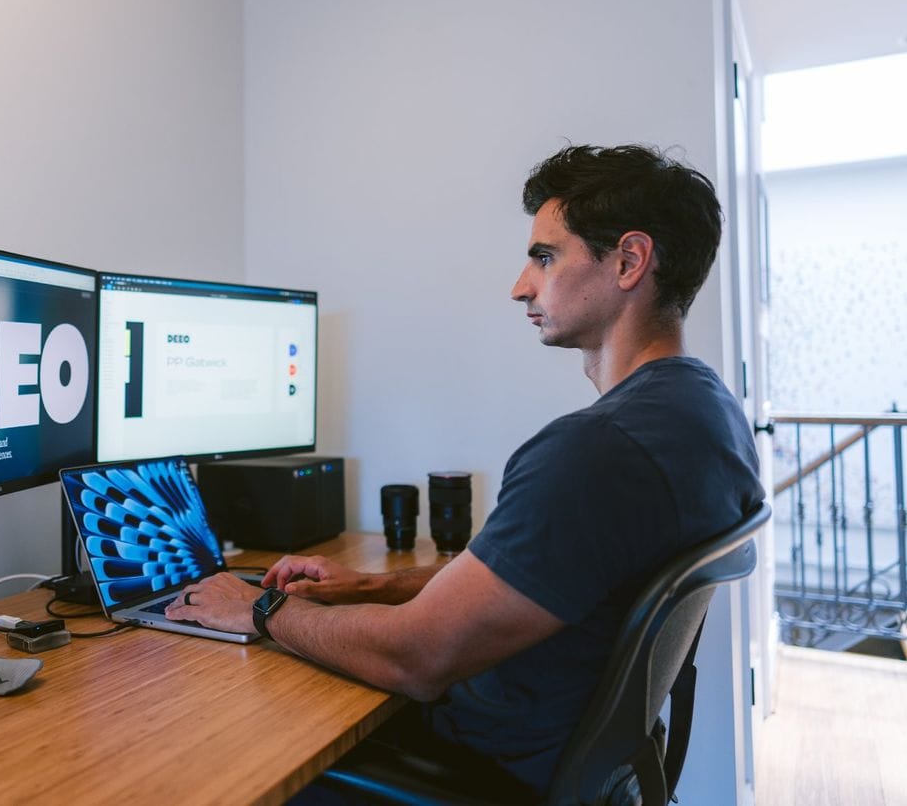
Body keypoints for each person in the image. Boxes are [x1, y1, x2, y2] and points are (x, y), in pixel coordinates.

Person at [165, 144, 764, 798]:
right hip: (580, 766)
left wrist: (260, 607)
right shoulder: (704, 412)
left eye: (544, 256)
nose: (520, 286)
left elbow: (415, 659)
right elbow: (531, 576)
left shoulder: (595, 451)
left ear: (628, 261)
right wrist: (367, 589)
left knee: (215, 753)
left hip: (479, 773)